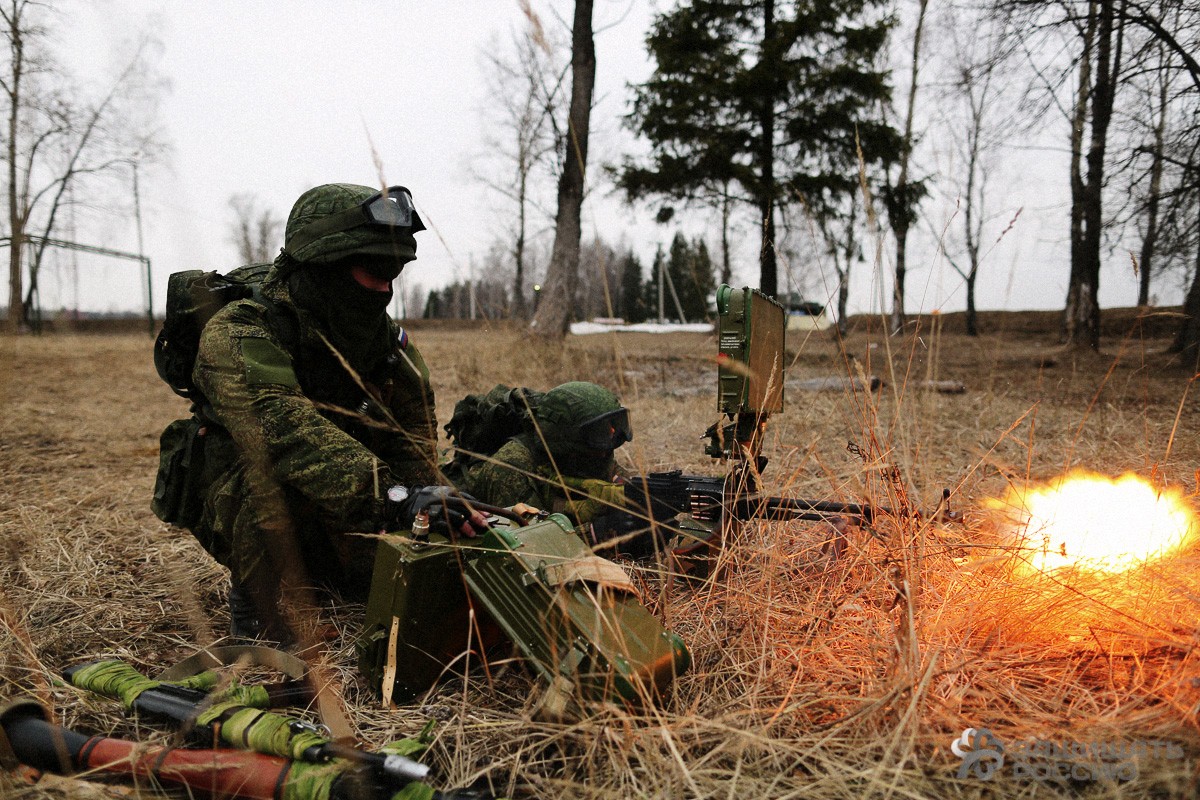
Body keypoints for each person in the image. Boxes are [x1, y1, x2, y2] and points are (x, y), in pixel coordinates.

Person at [188, 182, 485, 644]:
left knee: (385, 575)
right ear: (321, 266)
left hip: (354, 498)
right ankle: (255, 606)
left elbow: (413, 448)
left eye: (395, 271)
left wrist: (434, 506)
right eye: (374, 269)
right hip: (253, 499)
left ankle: (327, 565)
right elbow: (280, 426)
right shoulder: (240, 329)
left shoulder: (387, 347)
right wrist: (394, 495)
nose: (386, 287)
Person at [459, 381, 645, 553]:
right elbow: (526, 546)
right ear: (566, 438)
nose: (610, 439)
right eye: (601, 432)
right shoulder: (510, 469)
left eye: (613, 427)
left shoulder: (592, 452)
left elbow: (624, 489)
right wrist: (596, 533)